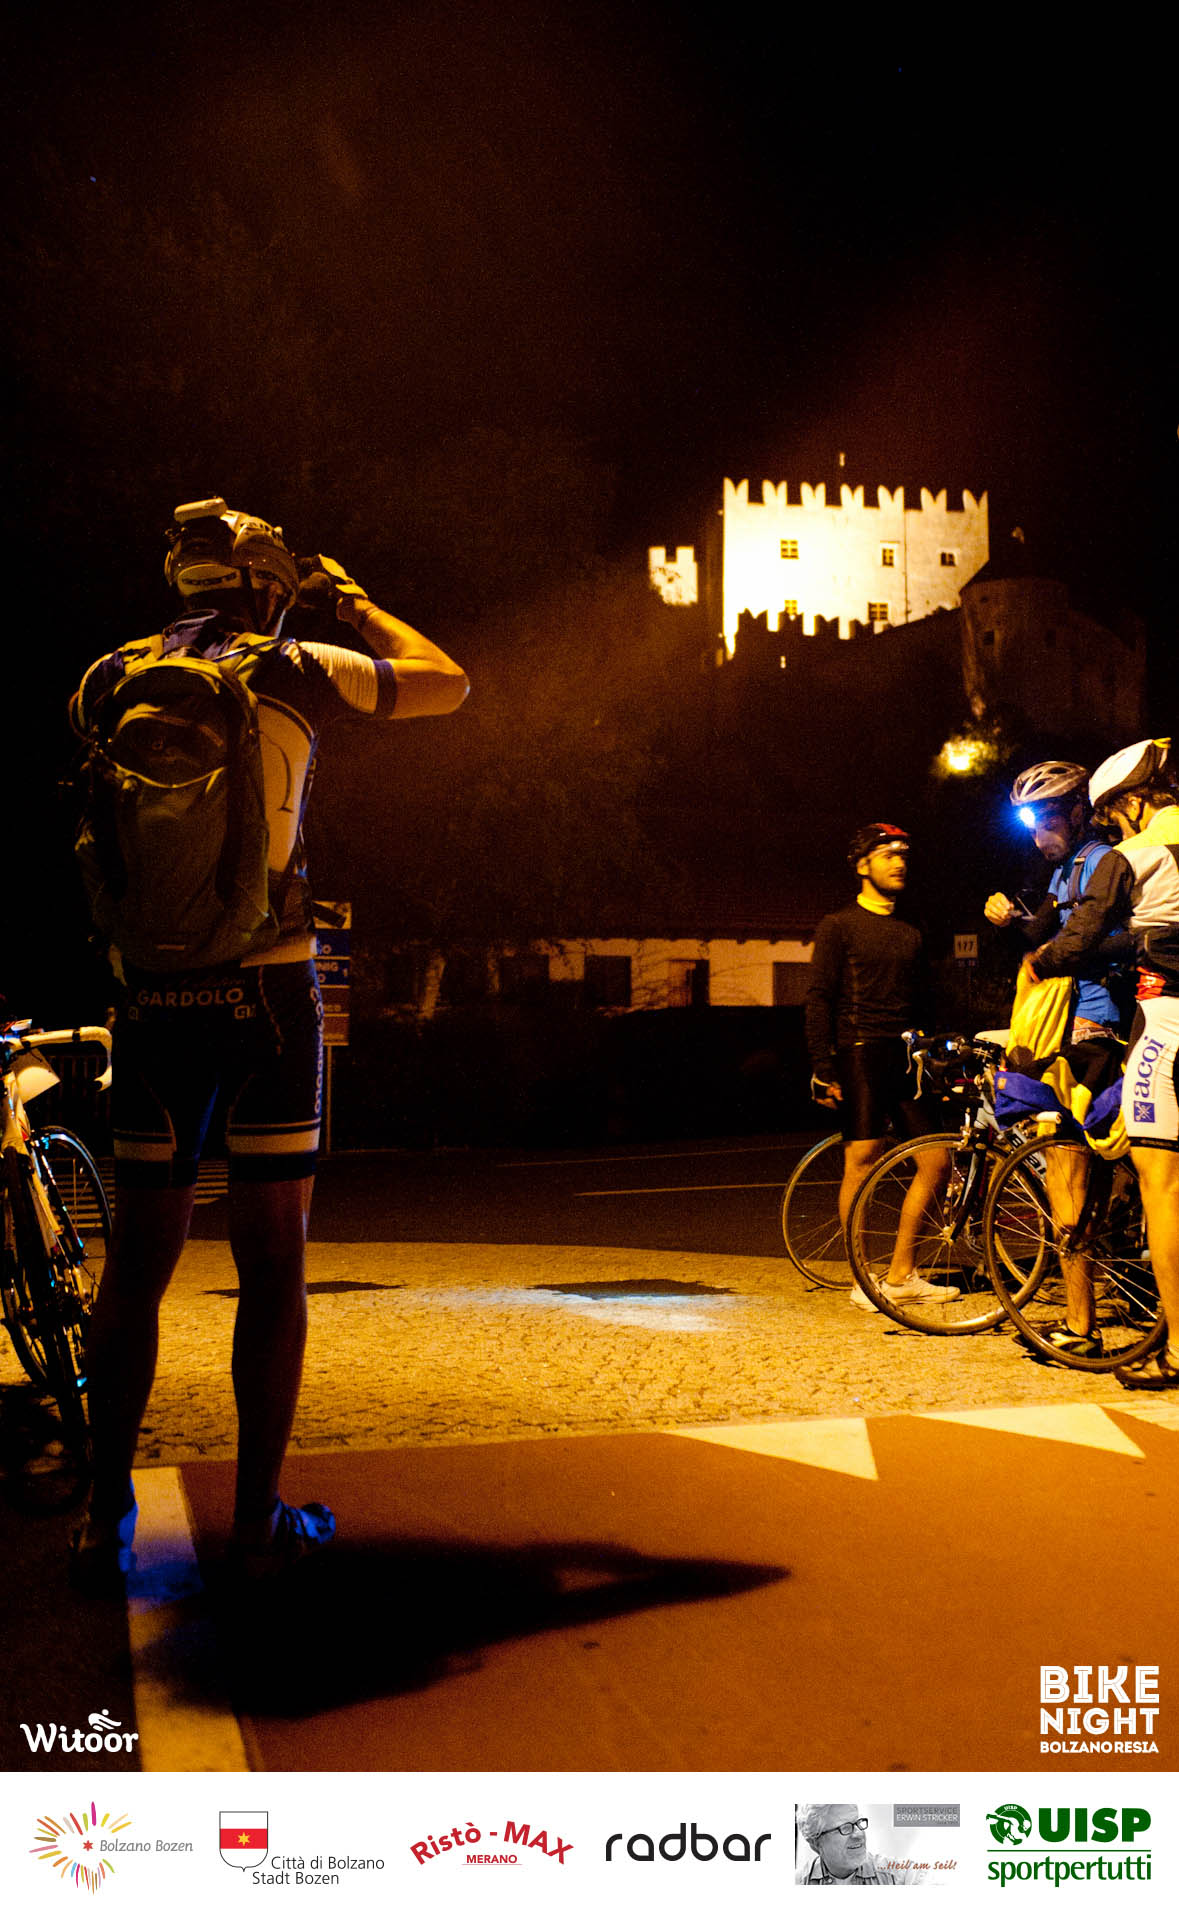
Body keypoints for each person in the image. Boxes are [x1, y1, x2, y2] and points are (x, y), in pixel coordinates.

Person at [69, 499, 469, 1590]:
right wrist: (350, 600)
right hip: (267, 989)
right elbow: (445, 680)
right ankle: (256, 1525)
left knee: (134, 1268)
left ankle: (103, 1518)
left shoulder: (108, 677)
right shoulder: (295, 663)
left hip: (151, 996)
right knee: (274, 1263)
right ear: (266, 581)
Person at [1026, 738, 1179, 1390]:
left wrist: (1039, 960)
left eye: (1113, 811)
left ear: (1132, 801)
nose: (1113, 823)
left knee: (1158, 1181)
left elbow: (1082, 937)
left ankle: (1174, 1347)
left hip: (1160, 1019)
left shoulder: (1127, 856)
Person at [985, 759, 1129, 1359]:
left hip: (1098, 1031)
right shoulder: (1064, 869)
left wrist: (1042, 961)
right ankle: (1079, 1322)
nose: (1040, 836)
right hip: (1063, 1030)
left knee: (1077, 1171)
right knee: (1066, 1172)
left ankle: (1085, 1321)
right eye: (1032, 827)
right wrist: (1011, 921)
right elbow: (1043, 931)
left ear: (1077, 812)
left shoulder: (1106, 861)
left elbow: (1084, 938)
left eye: (1047, 821)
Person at [805, 823, 959, 1312]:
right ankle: (861, 1277)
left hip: (907, 1055)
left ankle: (902, 1274)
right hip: (859, 1050)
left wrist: (940, 1048)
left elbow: (925, 998)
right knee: (863, 1158)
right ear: (862, 865)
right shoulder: (839, 925)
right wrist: (822, 1065)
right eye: (887, 854)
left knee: (937, 1161)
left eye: (903, 855)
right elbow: (819, 998)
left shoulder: (911, 930)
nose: (899, 863)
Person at [795, 1804, 925, 1884]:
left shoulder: (898, 1875)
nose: (858, 1834)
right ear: (815, 1843)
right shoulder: (798, 1882)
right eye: (845, 1828)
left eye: (858, 1822)